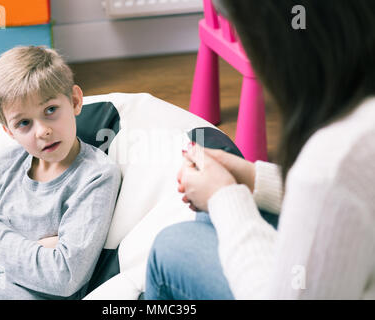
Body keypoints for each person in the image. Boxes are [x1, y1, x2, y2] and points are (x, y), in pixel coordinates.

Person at [145, 0, 375, 299]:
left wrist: (224, 196)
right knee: (206, 217)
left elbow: (334, 186)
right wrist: (254, 178)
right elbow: (355, 196)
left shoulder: (332, 160)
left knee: (170, 247)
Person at [0, 45, 122, 300]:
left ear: (74, 101)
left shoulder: (95, 175)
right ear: (9, 131)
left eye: (50, 110)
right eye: (24, 123)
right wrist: (39, 249)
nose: (42, 131)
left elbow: (63, 277)